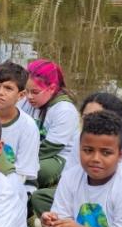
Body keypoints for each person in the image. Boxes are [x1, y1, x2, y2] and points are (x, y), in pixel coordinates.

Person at [20, 58, 79, 189]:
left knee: (36, 171)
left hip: (58, 157)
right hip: (32, 152)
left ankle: (28, 194)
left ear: (51, 88)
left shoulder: (65, 110)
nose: (29, 97)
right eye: (27, 91)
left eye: (35, 92)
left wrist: (21, 159)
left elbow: (49, 149)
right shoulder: (28, 101)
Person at [0, 61, 40, 193]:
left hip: (19, 186)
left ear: (21, 95)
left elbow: (23, 174)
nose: (0, 92)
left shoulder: (28, 127)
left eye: (8, 88)